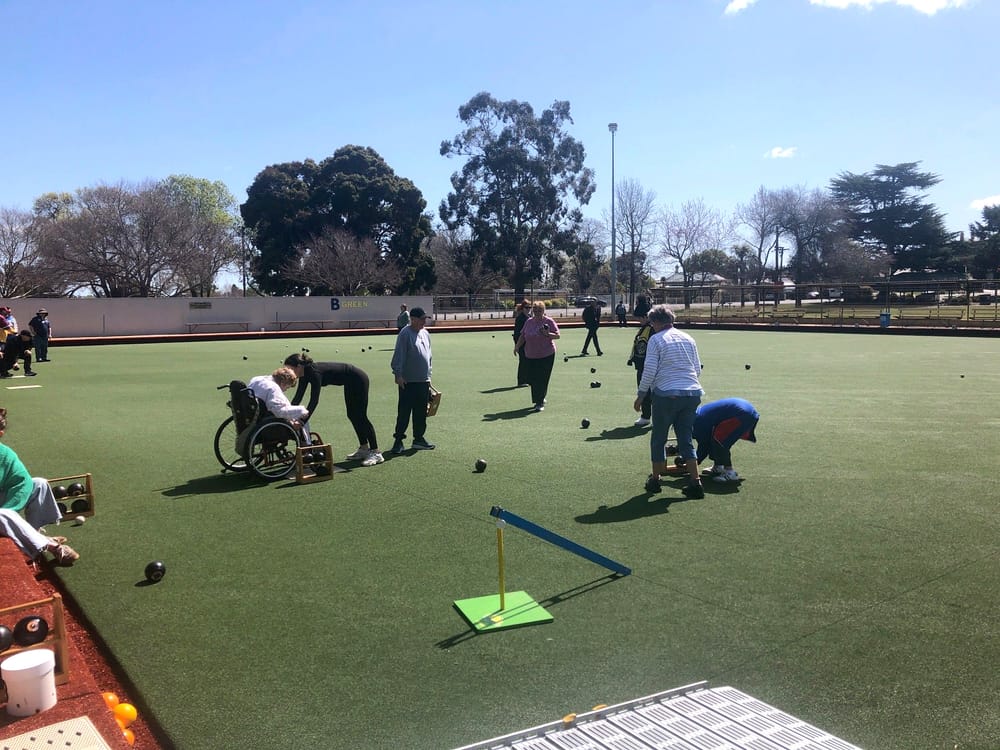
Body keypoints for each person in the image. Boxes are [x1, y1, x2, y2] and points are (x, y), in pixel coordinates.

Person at [634, 305, 705, 498]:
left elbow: (649, 369)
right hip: (692, 393)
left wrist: (641, 395)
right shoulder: (688, 338)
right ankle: (696, 482)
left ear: (656, 322)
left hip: (666, 394)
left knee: (659, 438)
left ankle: (655, 480)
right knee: (686, 438)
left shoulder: (656, 339)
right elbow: (697, 369)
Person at [0, 408, 78, 564]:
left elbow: (23, 483)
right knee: (2, 514)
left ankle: (33, 533)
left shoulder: (5, 454)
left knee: (39, 484)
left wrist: (10, 508)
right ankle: (51, 546)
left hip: (4, 501)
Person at [284, 352, 383, 466]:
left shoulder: (314, 372)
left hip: (358, 379)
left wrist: (302, 421)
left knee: (361, 416)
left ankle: (376, 452)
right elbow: (298, 397)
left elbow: (314, 401)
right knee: (352, 415)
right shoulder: (303, 374)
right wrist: (286, 413)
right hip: (349, 382)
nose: (289, 372)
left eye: (290, 369)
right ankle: (364, 448)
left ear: (299, 366)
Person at [390, 306, 434, 454]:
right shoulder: (405, 333)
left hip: (423, 381)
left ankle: (418, 439)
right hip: (407, 381)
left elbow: (429, 356)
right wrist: (398, 375)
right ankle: (398, 441)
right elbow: (399, 355)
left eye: (425, 319)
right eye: (421, 319)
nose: (424, 322)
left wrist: (429, 377)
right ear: (413, 319)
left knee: (421, 413)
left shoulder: (425, 333)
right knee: (404, 412)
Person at [694, 398, 759, 483]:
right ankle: (718, 466)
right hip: (745, 411)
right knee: (716, 438)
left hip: (742, 414)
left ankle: (730, 472)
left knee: (720, 441)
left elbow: (704, 445)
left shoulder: (698, 422)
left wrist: (693, 462)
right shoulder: (697, 414)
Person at [514, 301, 560, 412]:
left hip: (546, 354)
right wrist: (517, 347)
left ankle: (539, 402)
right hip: (531, 354)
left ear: (543, 311)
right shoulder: (529, 321)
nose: (537, 312)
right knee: (533, 378)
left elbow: (557, 335)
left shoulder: (549, 321)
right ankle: (540, 397)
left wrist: (547, 334)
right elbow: (523, 335)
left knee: (542, 378)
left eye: (539, 310)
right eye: (535, 310)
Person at [248, 367, 311, 441]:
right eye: (287, 387)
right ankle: (307, 442)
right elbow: (279, 412)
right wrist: (300, 411)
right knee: (303, 412)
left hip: (252, 417)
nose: (285, 390)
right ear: (283, 383)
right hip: (266, 423)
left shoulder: (256, 379)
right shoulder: (273, 388)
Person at [627, 308, 654, 427]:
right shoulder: (644, 328)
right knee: (645, 390)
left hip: (648, 365)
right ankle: (646, 416)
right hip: (641, 365)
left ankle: (649, 416)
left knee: (649, 391)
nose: (638, 320)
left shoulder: (651, 329)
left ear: (645, 317)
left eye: (639, 318)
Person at [511, 299, 530, 387]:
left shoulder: (529, 317)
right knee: (523, 361)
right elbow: (517, 333)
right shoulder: (520, 318)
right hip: (521, 342)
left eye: (530, 307)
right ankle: (521, 381)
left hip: (529, 343)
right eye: (526, 307)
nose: (528, 309)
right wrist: (517, 345)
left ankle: (528, 379)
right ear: (522, 308)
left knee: (528, 361)